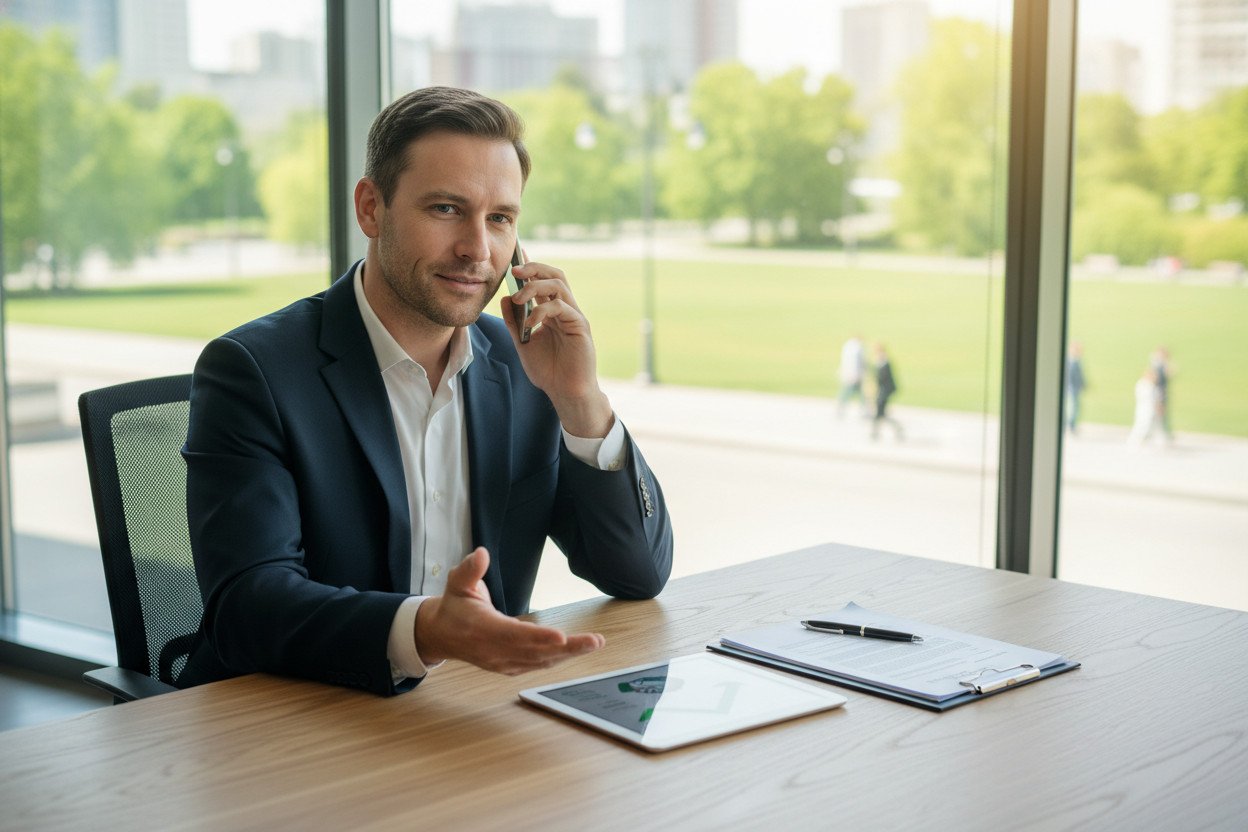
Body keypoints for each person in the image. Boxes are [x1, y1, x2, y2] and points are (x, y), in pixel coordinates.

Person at [178, 87, 673, 696]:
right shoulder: (252, 371)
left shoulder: (526, 367)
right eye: (445, 209)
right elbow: (248, 608)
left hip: (464, 713)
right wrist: (426, 631)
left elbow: (638, 573)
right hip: (297, 719)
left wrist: (580, 401)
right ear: (370, 209)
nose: (477, 249)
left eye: (500, 219)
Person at [870, 343, 902, 441]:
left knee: (881, 414)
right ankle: (875, 432)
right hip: (883, 391)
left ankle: (877, 432)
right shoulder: (882, 362)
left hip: (884, 392)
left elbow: (882, 378)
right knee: (880, 414)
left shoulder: (884, 362)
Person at [1128, 367, 1162, 446]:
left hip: (1149, 409)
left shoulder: (1152, 385)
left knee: (1154, 426)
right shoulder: (1144, 385)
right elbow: (1149, 398)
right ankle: (1134, 442)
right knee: (1142, 425)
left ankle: (1153, 442)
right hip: (1145, 408)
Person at [836, 334, 866, 418]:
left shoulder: (847, 347)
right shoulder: (857, 349)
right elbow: (857, 363)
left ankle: (841, 409)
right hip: (854, 375)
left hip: (848, 374)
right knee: (850, 393)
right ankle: (862, 410)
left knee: (851, 393)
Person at [1150, 346, 1173, 441]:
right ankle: (1159, 436)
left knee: (1161, 415)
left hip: (1161, 392)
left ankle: (1162, 435)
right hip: (1158, 393)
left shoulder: (1161, 365)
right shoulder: (1156, 366)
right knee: (1158, 415)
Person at [1065, 341, 1086, 435]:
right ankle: (1071, 425)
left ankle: (1071, 425)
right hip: (1072, 389)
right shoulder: (1072, 362)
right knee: (1073, 407)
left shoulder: (1076, 362)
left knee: (1074, 407)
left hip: (1074, 389)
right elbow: (1072, 377)